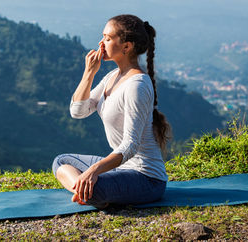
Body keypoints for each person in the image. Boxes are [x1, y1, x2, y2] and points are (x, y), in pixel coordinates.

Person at [52, 14, 171, 209]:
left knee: (93, 185)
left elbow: (130, 146)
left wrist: (93, 171)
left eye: (107, 38)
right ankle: (86, 192)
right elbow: (78, 111)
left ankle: (90, 193)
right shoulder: (112, 76)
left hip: (146, 179)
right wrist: (89, 73)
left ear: (127, 46)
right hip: (121, 169)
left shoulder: (137, 85)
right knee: (61, 161)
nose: (101, 43)